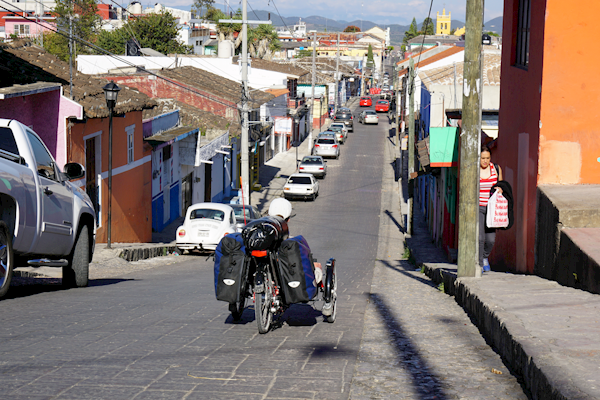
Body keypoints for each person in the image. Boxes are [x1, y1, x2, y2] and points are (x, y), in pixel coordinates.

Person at [268, 198, 323, 283]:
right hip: (292, 284)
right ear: (288, 219)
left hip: (271, 282)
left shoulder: (264, 244)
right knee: (317, 266)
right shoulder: (295, 243)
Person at [479, 146, 502, 272]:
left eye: (487, 158)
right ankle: (479, 264)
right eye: (483, 158)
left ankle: (484, 257)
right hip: (478, 207)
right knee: (480, 238)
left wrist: (500, 189)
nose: (485, 161)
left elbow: (501, 184)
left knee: (490, 239)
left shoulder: (496, 169)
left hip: (491, 209)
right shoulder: (474, 170)